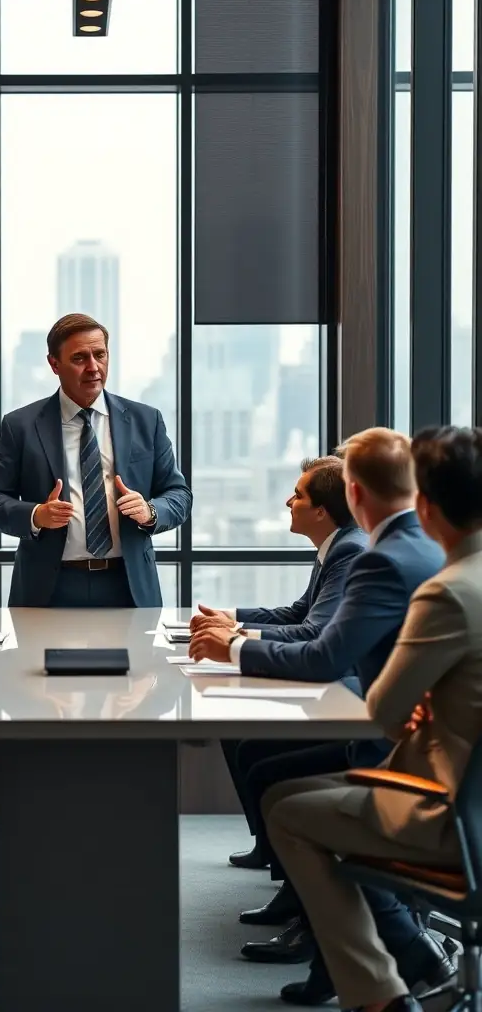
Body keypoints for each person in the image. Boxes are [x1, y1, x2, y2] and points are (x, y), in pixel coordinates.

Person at [189, 428, 450, 1002]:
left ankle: (404, 950)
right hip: (435, 758)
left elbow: (326, 653)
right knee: (277, 787)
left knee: (284, 798)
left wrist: (233, 645)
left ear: (352, 494)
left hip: (407, 769)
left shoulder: (379, 559)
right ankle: (371, 955)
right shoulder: (430, 549)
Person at [264, 425, 482, 1012]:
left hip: (447, 813)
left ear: (427, 505)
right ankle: (405, 965)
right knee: (290, 787)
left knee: (285, 811)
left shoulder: (447, 590)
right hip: (468, 800)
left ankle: (379, 992)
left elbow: (383, 711)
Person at [193, 455, 367, 869]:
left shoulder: (349, 551)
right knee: (237, 734)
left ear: (322, 511)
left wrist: (234, 641)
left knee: (256, 750)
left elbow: (313, 634)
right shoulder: (334, 544)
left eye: (298, 495)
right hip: (329, 681)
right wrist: (233, 619)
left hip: (342, 690)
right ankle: (272, 849)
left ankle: (286, 867)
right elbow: (298, 613)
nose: (288, 502)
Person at [0, 313, 192, 607]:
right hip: (49, 587)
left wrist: (150, 511)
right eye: (79, 358)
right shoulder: (21, 426)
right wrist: (36, 515)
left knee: (140, 656)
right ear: (55, 364)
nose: (93, 367)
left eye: (100, 355)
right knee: (35, 656)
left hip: (128, 585)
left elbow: (179, 494)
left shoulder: (146, 420)